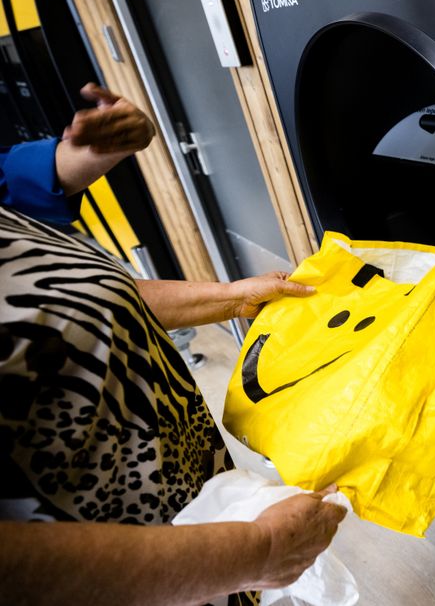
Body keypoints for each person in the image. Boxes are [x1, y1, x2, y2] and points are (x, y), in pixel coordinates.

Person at [0, 84, 345, 605]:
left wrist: (231, 299)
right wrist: (258, 550)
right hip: (129, 572)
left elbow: (60, 299)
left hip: (191, 517)